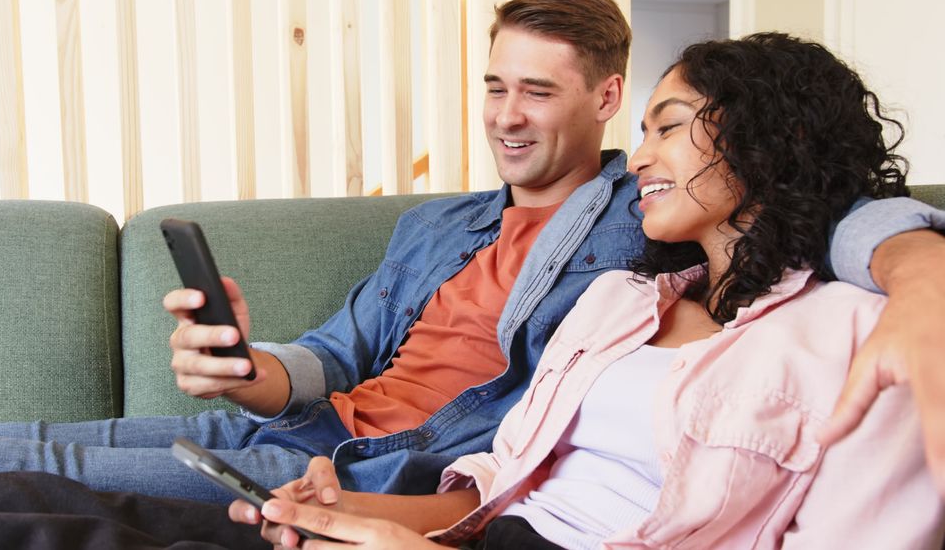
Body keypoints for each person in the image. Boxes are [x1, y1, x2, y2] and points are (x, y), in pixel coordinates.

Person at [0, 0, 944, 520]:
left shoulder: (645, 211)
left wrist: (922, 277)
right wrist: (248, 366)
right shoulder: (436, 224)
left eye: (538, 90)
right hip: (306, 421)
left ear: (606, 98)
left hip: (369, 471)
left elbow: (820, 204)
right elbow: (336, 355)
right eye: (493, 85)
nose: (506, 116)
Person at [231, 32, 945, 549]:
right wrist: (350, 513)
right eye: (495, 87)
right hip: (462, 530)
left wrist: (919, 268)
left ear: (773, 138)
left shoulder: (874, 333)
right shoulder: (621, 300)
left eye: (668, 127)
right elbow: (497, 485)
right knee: (123, 520)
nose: (638, 160)